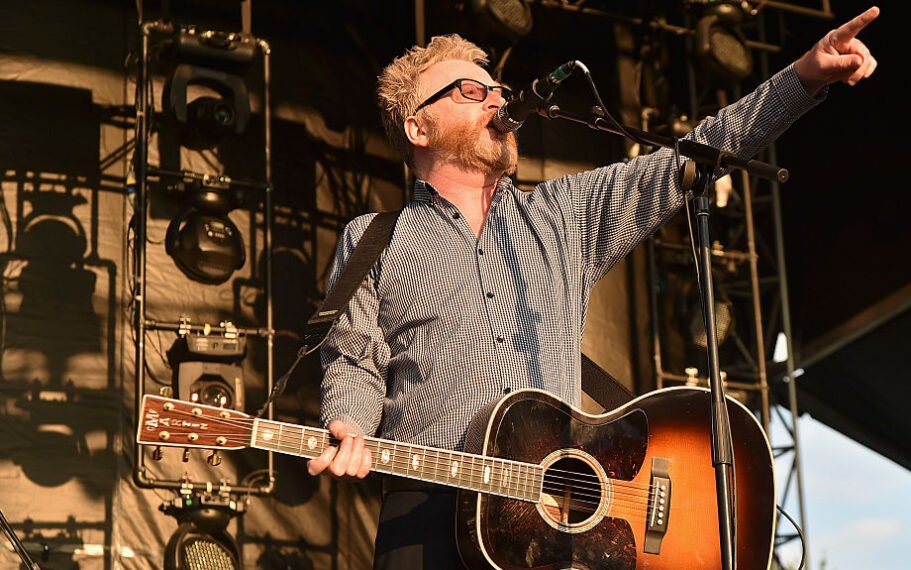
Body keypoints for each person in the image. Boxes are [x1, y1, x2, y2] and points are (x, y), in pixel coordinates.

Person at [307, 6, 880, 569]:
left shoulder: (562, 215)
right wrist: (349, 427)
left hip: (551, 526)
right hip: (429, 513)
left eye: (498, 90)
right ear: (418, 126)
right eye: (471, 92)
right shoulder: (375, 238)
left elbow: (696, 154)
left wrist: (802, 78)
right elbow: (354, 358)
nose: (498, 101)